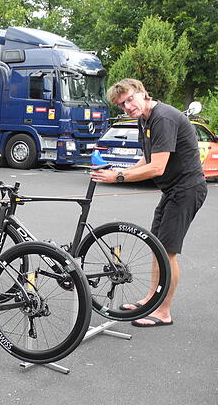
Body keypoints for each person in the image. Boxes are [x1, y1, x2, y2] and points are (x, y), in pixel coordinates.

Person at [90, 78, 207, 327]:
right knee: (157, 248)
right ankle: (151, 301)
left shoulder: (162, 117)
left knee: (168, 252)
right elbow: (147, 158)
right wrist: (122, 170)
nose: (127, 107)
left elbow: (157, 166)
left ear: (143, 93)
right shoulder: (146, 118)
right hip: (172, 190)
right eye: (122, 105)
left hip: (186, 190)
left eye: (130, 99)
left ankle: (163, 311)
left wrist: (118, 177)